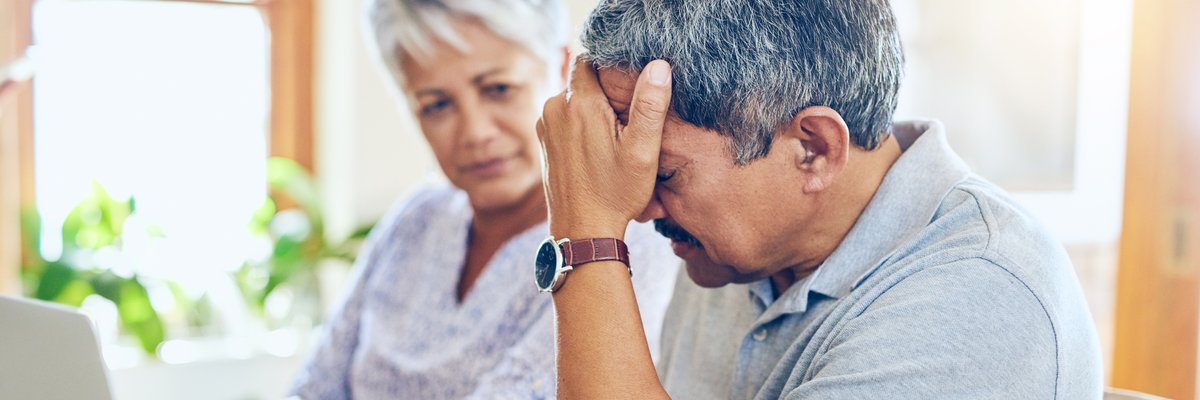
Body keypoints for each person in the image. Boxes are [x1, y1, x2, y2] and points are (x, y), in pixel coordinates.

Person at [536, 0, 1103, 398]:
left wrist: (584, 231)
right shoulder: (740, 246)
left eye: (663, 174)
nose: (638, 207)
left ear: (813, 149)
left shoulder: (978, 298)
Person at [288, 0, 679, 398]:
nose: (474, 132)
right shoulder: (414, 219)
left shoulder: (618, 245)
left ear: (563, 70)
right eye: (437, 105)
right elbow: (313, 386)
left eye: (498, 89)